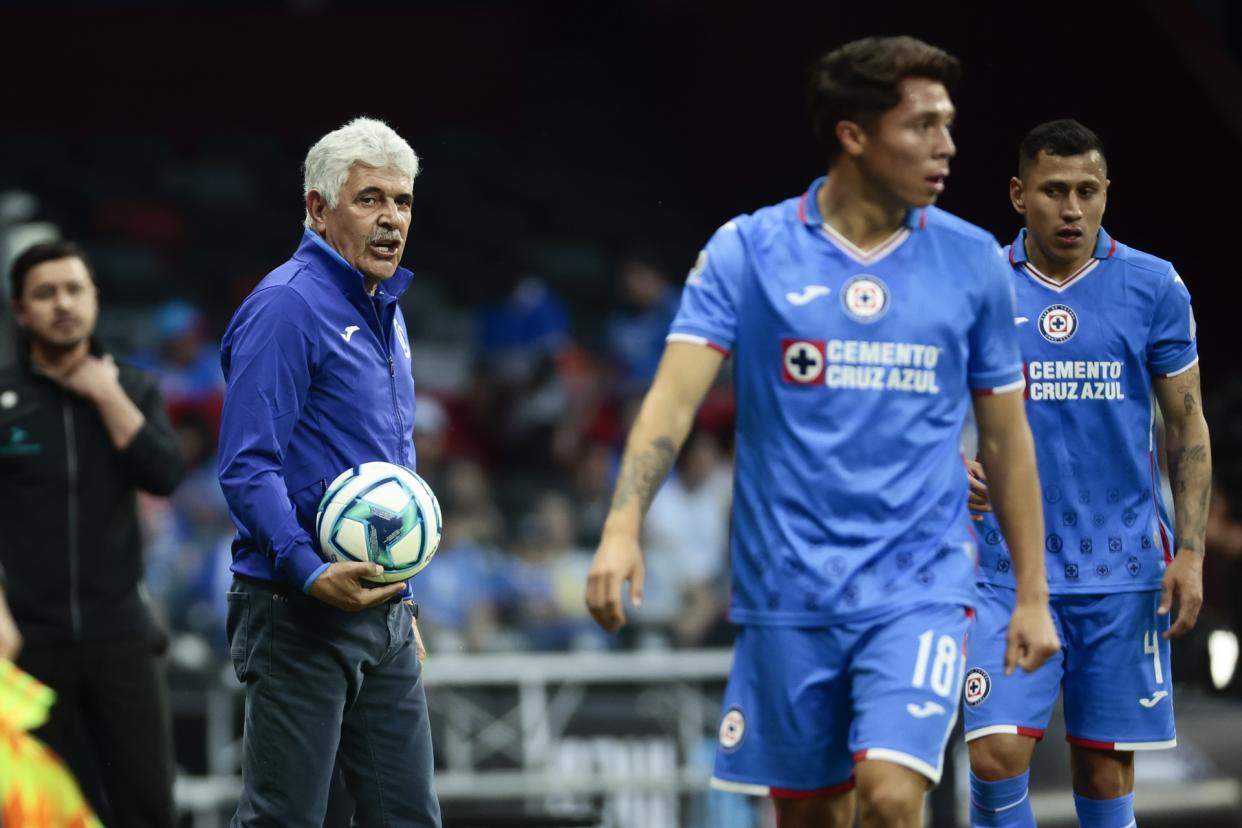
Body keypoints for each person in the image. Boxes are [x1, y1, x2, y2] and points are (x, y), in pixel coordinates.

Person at [586, 36, 1061, 828]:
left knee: (889, 795)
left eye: (949, 125)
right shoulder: (750, 251)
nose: (947, 147)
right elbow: (669, 403)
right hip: (788, 598)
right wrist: (620, 526)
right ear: (854, 134)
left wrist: (1033, 596)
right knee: (814, 818)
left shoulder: (974, 261)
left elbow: (1007, 440)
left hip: (920, 587)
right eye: (923, 126)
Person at [963, 120, 1212, 828]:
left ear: (1106, 194)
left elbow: (1188, 426)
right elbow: (925, 405)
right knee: (994, 755)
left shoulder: (1153, 286)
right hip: (1004, 567)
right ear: (1018, 194)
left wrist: (1190, 553)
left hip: (1124, 566)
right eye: (1052, 191)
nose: (1071, 208)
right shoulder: (979, 284)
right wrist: (956, 468)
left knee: (1103, 772)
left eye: (1086, 191)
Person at [217, 117, 441, 828]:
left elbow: (389, 468)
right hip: (297, 608)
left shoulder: (386, 307)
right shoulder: (286, 306)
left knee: (407, 819)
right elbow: (247, 466)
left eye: (402, 202)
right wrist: (308, 569)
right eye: (370, 199)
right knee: (285, 822)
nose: (391, 219)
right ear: (318, 208)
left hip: (383, 608)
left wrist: (402, 605)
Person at [0, 240, 184, 827]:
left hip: (121, 635)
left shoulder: (133, 387)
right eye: (45, 294)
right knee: (44, 814)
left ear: (94, 301)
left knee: (148, 808)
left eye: (74, 290)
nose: (62, 304)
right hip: (27, 641)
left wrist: (104, 393)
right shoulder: (4, 400)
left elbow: (164, 474)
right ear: (20, 311)